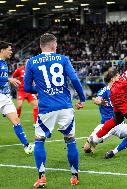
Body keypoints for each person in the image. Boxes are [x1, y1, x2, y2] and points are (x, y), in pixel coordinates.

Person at [24, 33, 85, 188]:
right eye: (56, 45)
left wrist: (39, 90)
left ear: (40, 46)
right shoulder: (63, 59)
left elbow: (26, 88)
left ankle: (42, 177)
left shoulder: (31, 62)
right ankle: (74, 176)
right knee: (70, 140)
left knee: (39, 140)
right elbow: (75, 80)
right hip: (65, 105)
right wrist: (82, 98)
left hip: (46, 107)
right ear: (53, 45)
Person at [0, 41, 34, 154]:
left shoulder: (4, 63)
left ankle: (26, 146)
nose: (11, 52)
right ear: (2, 50)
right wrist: (9, 79)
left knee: (16, 120)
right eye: (9, 49)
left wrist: (8, 80)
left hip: (5, 97)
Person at [12, 57, 38, 126]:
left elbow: (35, 80)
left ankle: (36, 123)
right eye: (27, 61)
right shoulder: (19, 70)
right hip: (21, 91)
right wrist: (15, 82)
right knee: (19, 105)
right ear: (24, 62)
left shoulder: (33, 70)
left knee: (36, 105)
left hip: (30, 91)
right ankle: (16, 121)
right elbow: (13, 77)